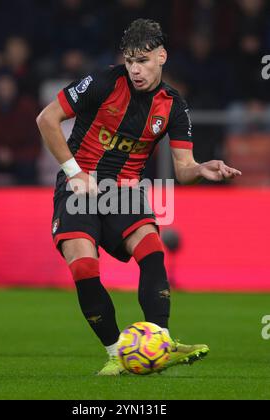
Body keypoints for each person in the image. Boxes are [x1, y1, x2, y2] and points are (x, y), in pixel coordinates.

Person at [37, 19, 242, 375]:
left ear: (161, 57)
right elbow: (46, 119)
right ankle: (117, 353)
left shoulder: (174, 107)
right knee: (84, 266)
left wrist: (202, 169)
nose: (135, 69)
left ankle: (160, 343)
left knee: (151, 249)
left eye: (144, 60)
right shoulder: (103, 82)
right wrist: (74, 172)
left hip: (125, 190)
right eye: (130, 60)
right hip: (79, 186)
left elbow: (184, 168)